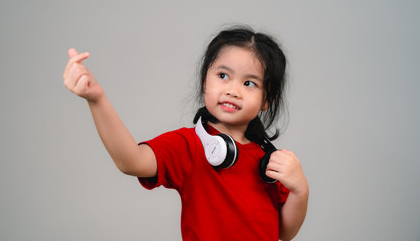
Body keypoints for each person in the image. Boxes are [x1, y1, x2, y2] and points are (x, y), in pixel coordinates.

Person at [63, 26, 309, 241]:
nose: (233, 90)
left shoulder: (268, 160)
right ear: (205, 82)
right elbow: (131, 161)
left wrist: (300, 190)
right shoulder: (189, 146)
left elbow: (285, 232)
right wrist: (96, 99)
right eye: (223, 76)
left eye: (249, 83)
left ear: (267, 99)